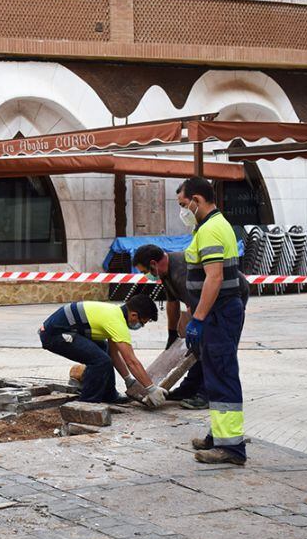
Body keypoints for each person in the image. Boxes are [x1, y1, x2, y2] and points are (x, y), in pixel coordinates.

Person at [176, 176, 247, 466]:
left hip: (218, 314)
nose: (183, 211)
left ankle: (231, 448)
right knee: (216, 374)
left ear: (197, 200)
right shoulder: (215, 225)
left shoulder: (211, 230)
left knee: (222, 374)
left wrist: (199, 318)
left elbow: (214, 278)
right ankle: (219, 436)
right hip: (221, 312)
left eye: (184, 204)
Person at [132, 243, 249, 410]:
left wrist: (195, 324)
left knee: (211, 347)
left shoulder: (181, 270)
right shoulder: (164, 272)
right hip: (206, 301)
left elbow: (193, 306)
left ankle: (206, 394)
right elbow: (172, 303)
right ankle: (190, 387)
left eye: (145, 272)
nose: (146, 276)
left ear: (153, 264)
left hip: (230, 296)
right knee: (197, 347)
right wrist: (172, 334)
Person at [39, 295, 163, 405]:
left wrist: (128, 380)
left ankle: (109, 395)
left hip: (63, 330)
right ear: (134, 315)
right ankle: (87, 402)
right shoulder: (116, 323)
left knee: (104, 349)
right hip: (54, 335)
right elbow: (131, 361)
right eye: (142, 323)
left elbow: (113, 354)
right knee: (101, 361)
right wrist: (151, 389)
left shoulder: (115, 313)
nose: (140, 326)